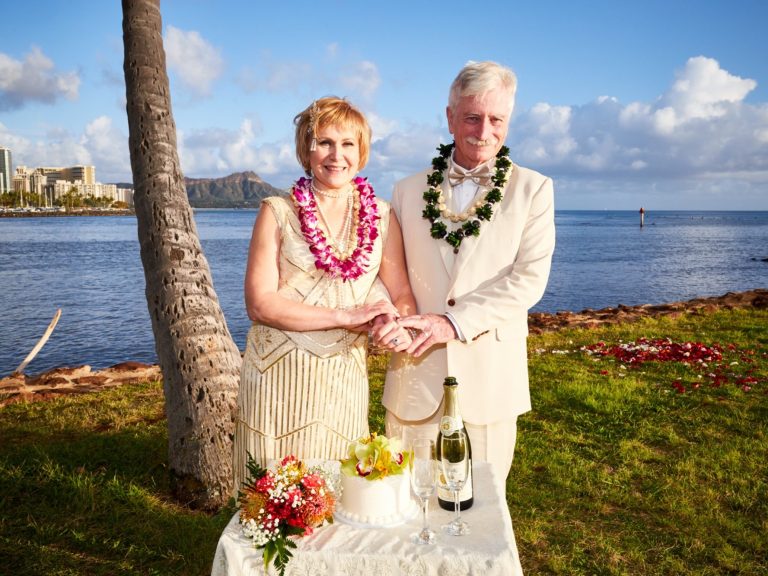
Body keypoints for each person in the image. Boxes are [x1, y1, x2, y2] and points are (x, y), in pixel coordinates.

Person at [378, 61, 556, 486]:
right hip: (414, 377)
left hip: (490, 382)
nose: (484, 130)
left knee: (481, 509)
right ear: (450, 117)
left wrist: (452, 322)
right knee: (409, 499)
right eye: (473, 117)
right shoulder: (406, 191)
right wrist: (386, 313)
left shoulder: (534, 189)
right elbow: (386, 271)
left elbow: (529, 279)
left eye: (496, 119)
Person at [233, 96, 415, 491]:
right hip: (276, 377)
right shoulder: (276, 210)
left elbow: (400, 292)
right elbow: (259, 304)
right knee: (275, 500)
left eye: (348, 143)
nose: (337, 155)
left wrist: (393, 321)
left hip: (342, 378)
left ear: (361, 151)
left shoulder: (381, 214)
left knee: (337, 495)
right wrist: (346, 317)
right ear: (307, 149)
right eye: (325, 142)